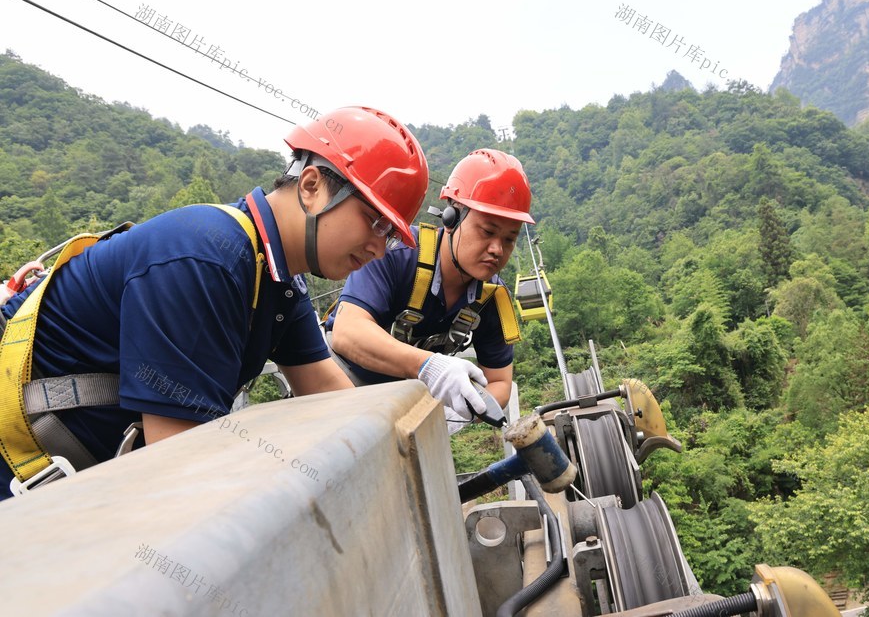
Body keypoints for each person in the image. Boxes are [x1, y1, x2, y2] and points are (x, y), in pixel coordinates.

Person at [0, 106, 429, 499]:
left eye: (390, 235)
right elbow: (180, 466)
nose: (379, 247)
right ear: (313, 186)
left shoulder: (278, 277)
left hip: (61, 482)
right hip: (16, 465)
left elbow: (333, 399)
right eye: (374, 222)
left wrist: (404, 461)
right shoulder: (207, 257)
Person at [327, 149, 533, 433]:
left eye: (510, 239)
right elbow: (347, 334)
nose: (497, 249)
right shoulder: (396, 251)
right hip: (341, 388)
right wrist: (429, 365)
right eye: (487, 231)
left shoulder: (492, 299)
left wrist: (460, 413)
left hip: (408, 413)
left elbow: (500, 383)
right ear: (451, 219)